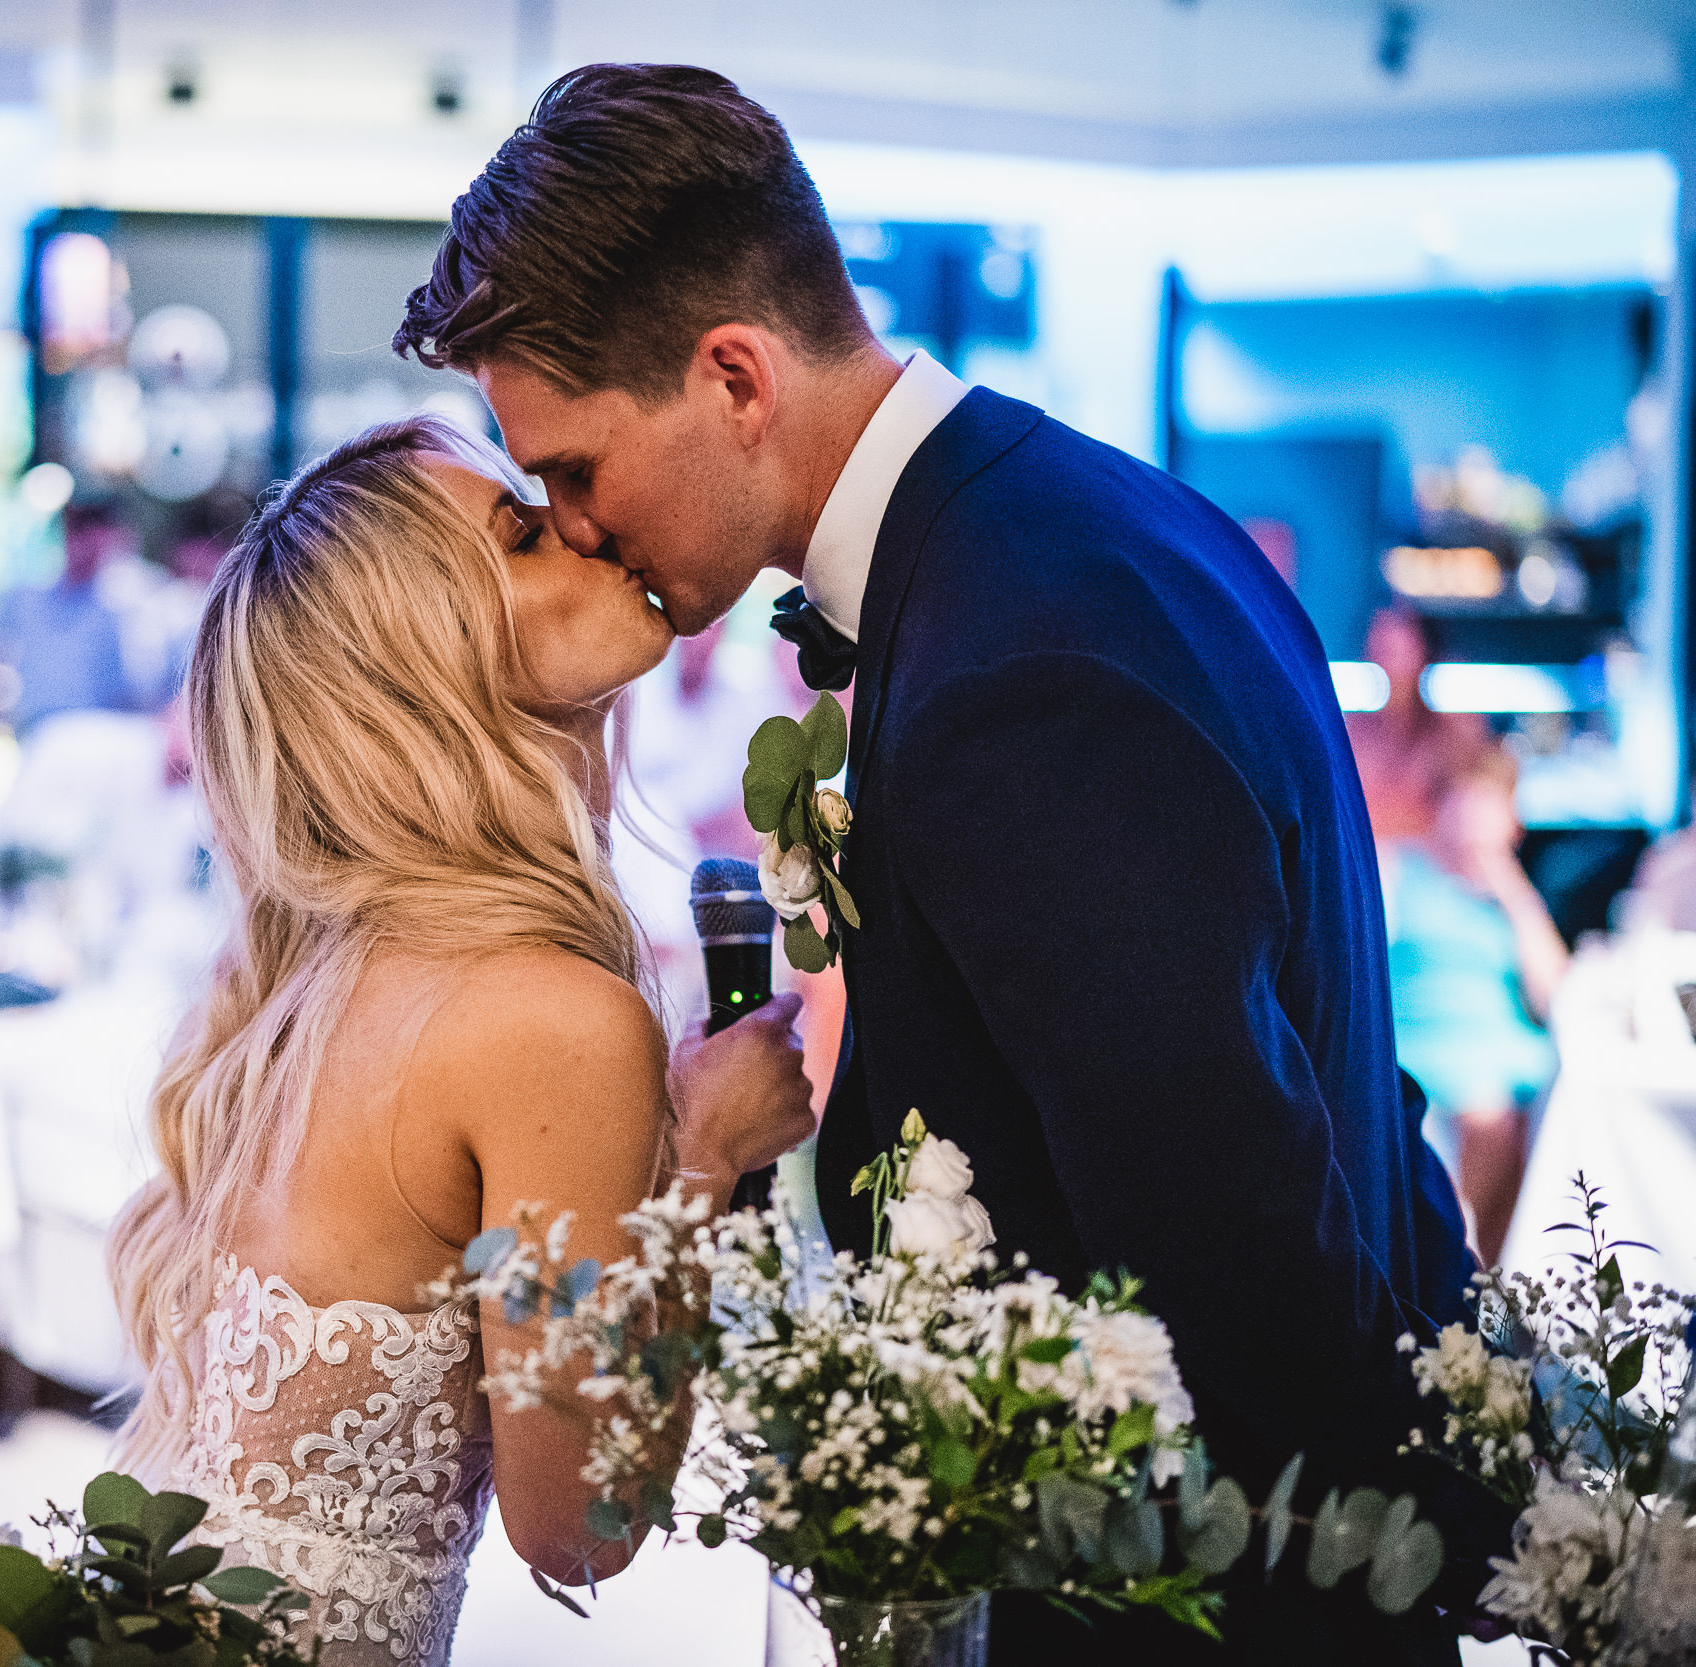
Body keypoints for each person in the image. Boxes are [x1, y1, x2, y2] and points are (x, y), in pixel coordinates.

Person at [397, 65, 1491, 1661]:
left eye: (574, 468)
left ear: (733, 378)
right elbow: (1354, 1107)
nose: (574, 524)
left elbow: (1229, 1215)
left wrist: (1413, 1540)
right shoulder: (1092, 522)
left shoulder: (1013, 664)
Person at [104, 416, 815, 1666]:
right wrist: (702, 1157)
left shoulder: (343, 958)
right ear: (427, 656)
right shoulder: (544, 1016)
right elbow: (580, 1531)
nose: (587, 527)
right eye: (526, 532)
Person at [1383, 746, 1566, 1267]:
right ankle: (1471, 1274)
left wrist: (1510, 889)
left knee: (1498, 1120)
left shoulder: (1517, 895)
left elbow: (1556, 996)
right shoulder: (1399, 870)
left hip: (1503, 1060)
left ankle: (1472, 1272)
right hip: (1418, 1049)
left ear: (1512, 823)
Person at [0, 501, 137, 729]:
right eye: (80, 535)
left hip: (92, 736)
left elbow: (125, 694)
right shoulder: (22, 600)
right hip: (30, 732)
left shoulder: (117, 614)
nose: (87, 549)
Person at [1347, 606, 1492, 842]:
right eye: (1381, 645)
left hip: (1432, 861)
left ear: (1422, 649)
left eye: (1396, 648)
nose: (1386, 655)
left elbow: (1479, 797)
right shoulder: (1356, 729)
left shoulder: (1451, 729)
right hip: (1379, 854)